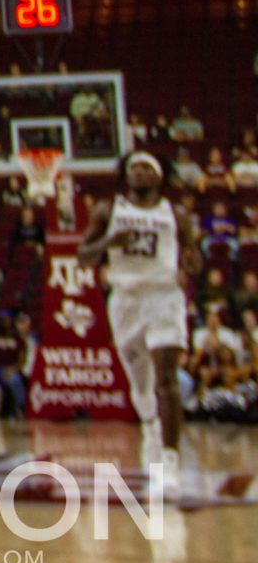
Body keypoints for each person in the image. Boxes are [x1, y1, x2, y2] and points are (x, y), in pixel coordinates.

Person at [78, 150, 193, 464]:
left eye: (146, 167)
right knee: (140, 385)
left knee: (165, 377)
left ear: (159, 176)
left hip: (163, 296)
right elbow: (83, 255)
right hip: (126, 299)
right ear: (125, 174)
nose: (139, 172)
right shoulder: (107, 210)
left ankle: (170, 461)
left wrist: (191, 264)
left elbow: (194, 258)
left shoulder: (177, 214)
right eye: (134, 167)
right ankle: (150, 425)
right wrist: (109, 243)